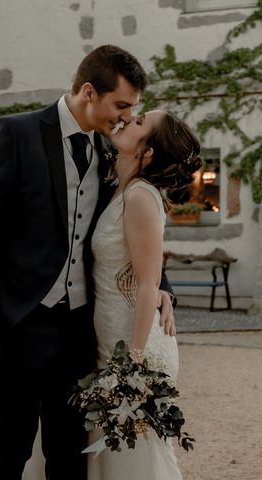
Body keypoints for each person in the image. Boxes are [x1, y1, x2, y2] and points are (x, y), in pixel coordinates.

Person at [0, 45, 177, 480]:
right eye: (122, 105)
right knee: (8, 452)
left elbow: (129, 227)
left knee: (69, 455)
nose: (126, 116)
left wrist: (161, 283)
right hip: (18, 324)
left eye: (132, 109)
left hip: (80, 330)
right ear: (89, 92)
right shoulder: (15, 133)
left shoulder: (111, 150)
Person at [88, 110, 201, 480]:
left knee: (132, 451)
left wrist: (132, 367)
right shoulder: (119, 186)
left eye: (139, 123)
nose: (130, 118)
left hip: (129, 342)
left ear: (147, 150)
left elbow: (148, 282)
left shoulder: (139, 196)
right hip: (109, 328)